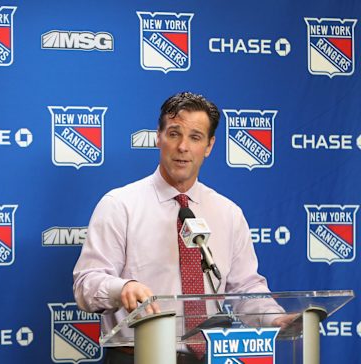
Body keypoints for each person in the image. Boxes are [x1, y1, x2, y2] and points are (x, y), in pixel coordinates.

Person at [73, 92, 284, 364]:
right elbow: (86, 285)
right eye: (174, 134)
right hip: (139, 357)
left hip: (210, 357)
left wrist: (275, 317)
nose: (183, 146)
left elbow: (246, 288)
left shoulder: (228, 213)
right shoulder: (119, 205)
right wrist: (122, 287)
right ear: (158, 137)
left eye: (195, 137)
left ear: (209, 146)